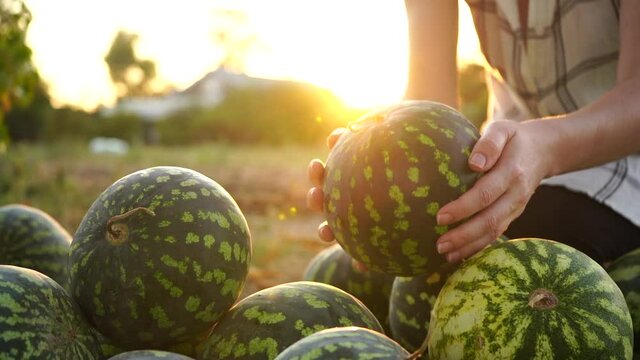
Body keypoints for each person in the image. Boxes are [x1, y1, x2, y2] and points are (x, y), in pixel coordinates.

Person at [306, 0, 640, 266]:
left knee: (539, 245)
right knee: (362, 280)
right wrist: (382, 181)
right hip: (504, 159)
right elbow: (426, 103)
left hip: (624, 166)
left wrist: (545, 147)